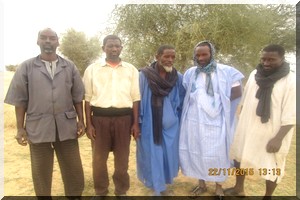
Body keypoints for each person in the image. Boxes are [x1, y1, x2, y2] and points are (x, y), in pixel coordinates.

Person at [4, 28, 85, 200]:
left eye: (52, 38)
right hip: (38, 127)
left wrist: (81, 121)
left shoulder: (69, 66)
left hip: (66, 126)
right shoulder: (26, 67)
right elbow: (19, 100)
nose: (48, 41)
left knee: (73, 168)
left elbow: (78, 97)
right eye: (44, 38)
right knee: (41, 170)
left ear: (58, 42)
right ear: (38, 41)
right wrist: (20, 128)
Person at [225, 44, 296, 199]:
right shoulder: (254, 74)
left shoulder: (290, 80)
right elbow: (245, 99)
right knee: (240, 156)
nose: (266, 63)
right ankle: (239, 189)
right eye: (263, 59)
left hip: (272, 131)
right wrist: (242, 119)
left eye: (271, 59)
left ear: (282, 59)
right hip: (248, 125)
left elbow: (291, 114)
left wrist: (278, 138)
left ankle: (267, 196)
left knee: (272, 167)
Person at [179, 41, 244, 197]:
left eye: (204, 54)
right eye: (198, 55)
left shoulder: (226, 71)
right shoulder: (190, 72)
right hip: (194, 120)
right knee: (196, 151)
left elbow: (237, 91)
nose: (201, 58)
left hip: (217, 121)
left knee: (218, 153)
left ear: (212, 54)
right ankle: (201, 184)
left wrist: (221, 106)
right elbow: (187, 92)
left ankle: (218, 186)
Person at [83, 35, 140, 197]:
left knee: (122, 160)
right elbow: (87, 99)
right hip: (99, 119)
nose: (114, 49)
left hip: (124, 119)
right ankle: (101, 191)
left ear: (121, 48)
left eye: (117, 46)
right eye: (110, 46)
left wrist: (135, 123)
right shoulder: (92, 69)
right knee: (99, 160)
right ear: (103, 48)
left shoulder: (131, 70)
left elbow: (136, 98)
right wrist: (89, 124)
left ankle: (121, 191)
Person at [136, 45, 185, 196]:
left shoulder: (178, 77)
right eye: (166, 57)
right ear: (157, 57)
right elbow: (137, 99)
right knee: (152, 153)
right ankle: (157, 187)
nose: (170, 60)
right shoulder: (144, 75)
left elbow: (182, 101)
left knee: (168, 155)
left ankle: (163, 183)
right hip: (149, 124)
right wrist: (137, 122)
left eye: (172, 57)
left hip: (171, 126)